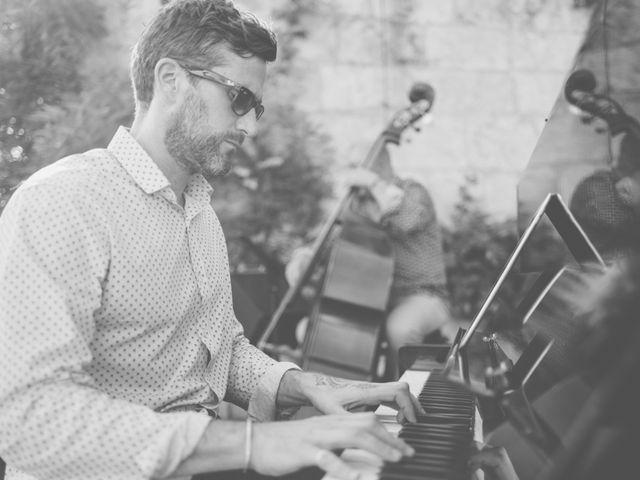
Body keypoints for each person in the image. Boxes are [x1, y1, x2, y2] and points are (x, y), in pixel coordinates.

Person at [0, 2, 425, 479]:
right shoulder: (63, 203)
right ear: (170, 80)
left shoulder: (201, 215)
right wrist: (250, 443)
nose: (251, 126)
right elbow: (28, 417)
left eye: (256, 107)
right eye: (239, 98)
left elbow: (220, 353)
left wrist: (305, 385)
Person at [286, 146, 453, 380]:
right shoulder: (358, 205)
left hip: (423, 296)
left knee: (400, 328)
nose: (352, 173)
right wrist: (303, 257)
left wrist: (375, 185)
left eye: (358, 165)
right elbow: (326, 241)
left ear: (380, 166)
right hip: (372, 302)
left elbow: (406, 220)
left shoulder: (413, 191)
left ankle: (413, 397)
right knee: (310, 330)